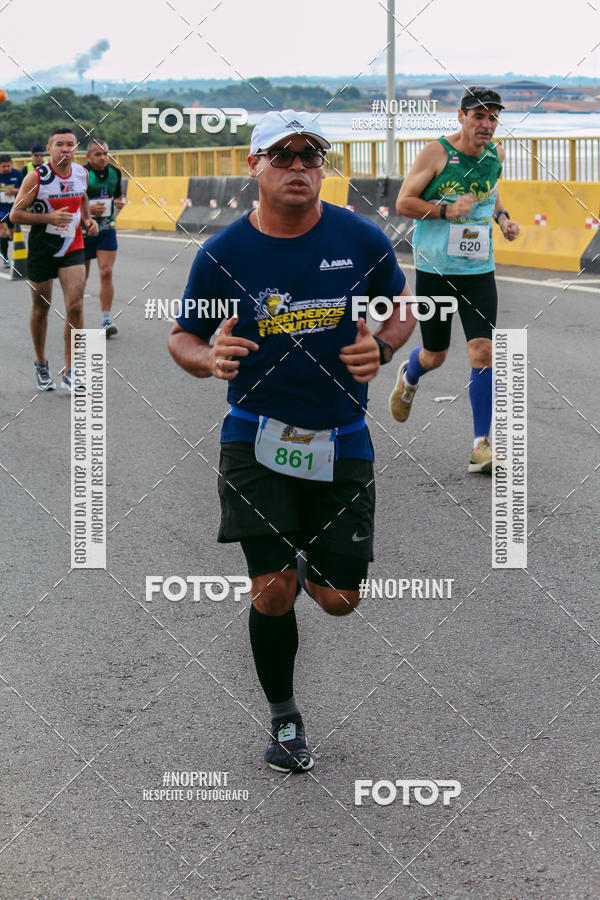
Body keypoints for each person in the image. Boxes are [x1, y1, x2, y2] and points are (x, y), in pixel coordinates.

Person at [168, 110, 415, 774]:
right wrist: (206, 357)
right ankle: (284, 719)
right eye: (283, 155)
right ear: (254, 166)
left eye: (312, 156)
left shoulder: (359, 238)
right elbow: (182, 336)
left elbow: (403, 305)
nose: (300, 167)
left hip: (343, 435)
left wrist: (383, 346)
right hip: (254, 435)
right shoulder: (222, 254)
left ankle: (311, 566)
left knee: (339, 600)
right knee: (272, 591)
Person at [391, 86, 520, 472]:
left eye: (493, 117)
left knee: (483, 351)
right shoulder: (437, 153)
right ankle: (410, 376)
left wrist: (502, 219)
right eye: (479, 116)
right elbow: (403, 203)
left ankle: (482, 445)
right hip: (435, 268)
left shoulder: (495, 154)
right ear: (461, 117)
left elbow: (489, 192)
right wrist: (446, 211)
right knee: (436, 354)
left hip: (479, 269)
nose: (486, 124)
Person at [10, 127, 98, 391]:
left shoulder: (81, 173)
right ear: (49, 149)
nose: (65, 149)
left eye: (70, 144)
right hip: (42, 248)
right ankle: (41, 362)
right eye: (59, 144)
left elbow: (82, 197)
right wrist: (49, 218)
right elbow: (15, 215)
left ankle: (71, 370)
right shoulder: (37, 178)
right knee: (41, 308)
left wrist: (87, 219)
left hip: (73, 245)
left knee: (76, 306)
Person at [83, 138, 125, 336]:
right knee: (80, 278)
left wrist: (119, 203)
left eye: (106, 153)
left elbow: (118, 196)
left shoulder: (115, 173)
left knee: (106, 272)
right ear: (88, 156)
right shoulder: (81, 174)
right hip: (82, 231)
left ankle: (106, 319)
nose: (103, 158)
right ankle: (76, 315)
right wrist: (88, 209)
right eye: (98, 154)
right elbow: (72, 200)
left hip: (107, 228)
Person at [0, 154, 23, 268]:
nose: (6, 169)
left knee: (12, 235)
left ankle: (3, 242)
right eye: (4, 166)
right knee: (3, 229)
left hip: (14, 208)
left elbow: (25, 190)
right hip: (1, 209)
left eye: (9, 166)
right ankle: (5, 257)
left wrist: (16, 190)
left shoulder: (17, 174)